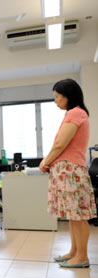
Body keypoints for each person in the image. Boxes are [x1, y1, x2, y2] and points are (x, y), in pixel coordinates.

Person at [39, 78, 96, 268]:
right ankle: (74, 251)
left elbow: (60, 144)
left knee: (78, 216)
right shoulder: (74, 113)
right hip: (68, 170)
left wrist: (45, 161)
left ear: (67, 96)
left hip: (71, 170)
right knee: (73, 215)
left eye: (57, 97)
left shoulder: (75, 113)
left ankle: (82, 257)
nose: (55, 101)